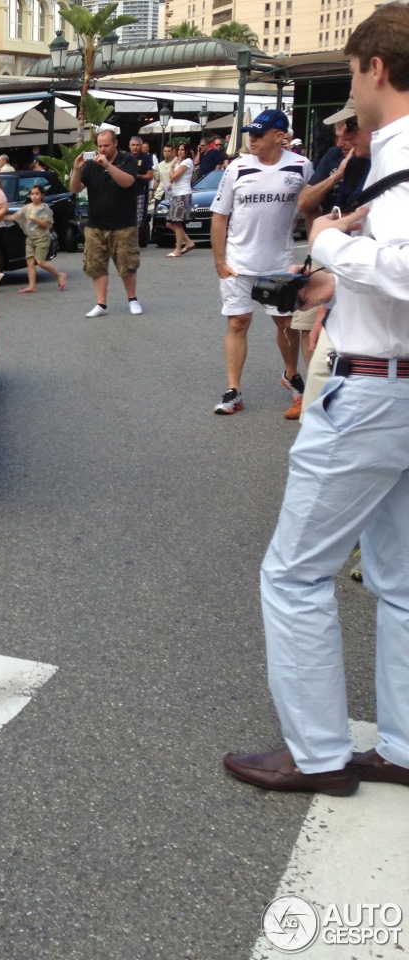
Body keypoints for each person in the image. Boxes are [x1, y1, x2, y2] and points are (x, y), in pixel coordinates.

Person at [223, 3, 409, 795]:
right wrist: (343, 274)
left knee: (295, 575)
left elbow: (402, 269)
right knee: (400, 582)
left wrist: (332, 241)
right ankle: (401, 745)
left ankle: (318, 754)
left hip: (372, 391)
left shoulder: (400, 156)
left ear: (373, 68)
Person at [209, 109, 313, 416]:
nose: (252, 139)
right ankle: (233, 390)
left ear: (280, 136)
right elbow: (219, 216)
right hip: (238, 264)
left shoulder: (300, 166)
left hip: (279, 264)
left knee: (285, 323)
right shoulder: (237, 168)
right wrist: (219, 260)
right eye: (250, 133)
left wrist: (313, 256)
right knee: (238, 323)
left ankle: (291, 375)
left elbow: (311, 210)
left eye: (259, 134)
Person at [295, 102, 374, 416]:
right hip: (329, 255)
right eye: (339, 134)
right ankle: (310, 395)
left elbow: (357, 226)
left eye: (348, 131)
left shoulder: (382, 162)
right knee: (310, 336)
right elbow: (305, 202)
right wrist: (338, 174)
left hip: (340, 258)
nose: (342, 141)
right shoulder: (341, 159)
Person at [69, 129, 146, 318]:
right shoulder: (91, 164)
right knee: (96, 265)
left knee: (127, 264)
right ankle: (101, 304)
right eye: (100, 145)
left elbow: (127, 182)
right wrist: (77, 169)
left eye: (106, 145)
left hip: (123, 224)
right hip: (96, 224)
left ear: (115, 143)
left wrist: (108, 166)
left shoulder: (127, 160)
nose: (102, 149)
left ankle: (132, 299)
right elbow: (75, 188)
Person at [3, 183, 68, 293]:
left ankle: (59, 274)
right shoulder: (27, 208)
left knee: (41, 262)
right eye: (32, 194)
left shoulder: (45, 208)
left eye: (37, 194)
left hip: (42, 238)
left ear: (42, 195)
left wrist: (35, 219)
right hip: (30, 238)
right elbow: (14, 217)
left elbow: (47, 224)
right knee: (30, 262)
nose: (34, 196)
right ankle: (32, 286)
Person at [165, 141, 197, 257]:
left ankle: (178, 249)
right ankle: (189, 242)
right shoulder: (180, 162)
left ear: (187, 151)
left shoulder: (187, 162)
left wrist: (173, 166)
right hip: (176, 193)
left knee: (177, 222)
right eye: (178, 149)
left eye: (182, 150)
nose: (180, 152)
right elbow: (171, 178)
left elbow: (173, 176)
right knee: (170, 222)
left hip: (183, 194)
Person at [128, 136, 155, 230]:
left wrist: (138, 176)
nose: (135, 147)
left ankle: (136, 241)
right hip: (126, 192)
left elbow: (150, 175)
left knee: (138, 220)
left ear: (141, 146)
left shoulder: (146, 157)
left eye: (137, 145)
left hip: (139, 192)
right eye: (133, 145)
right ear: (129, 146)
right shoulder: (125, 157)